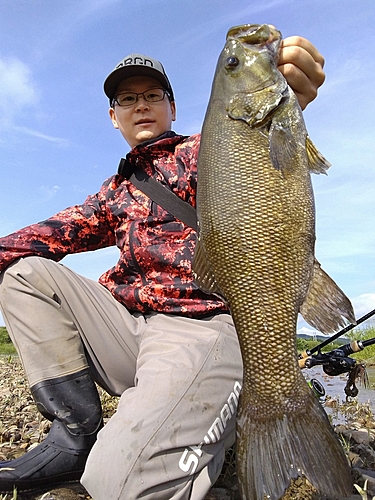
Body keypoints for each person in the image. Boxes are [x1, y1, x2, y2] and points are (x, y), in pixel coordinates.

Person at [0, 34, 325, 499]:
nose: (141, 105)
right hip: (132, 331)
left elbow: (255, 148)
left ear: (172, 106)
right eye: (127, 99)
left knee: (117, 482)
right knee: (25, 274)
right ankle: (73, 437)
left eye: (153, 95)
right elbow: (47, 233)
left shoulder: (208, 151)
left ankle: (235, 412)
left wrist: (288, 94)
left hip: (202, 326)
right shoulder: (115, 191)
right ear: (114, 117)